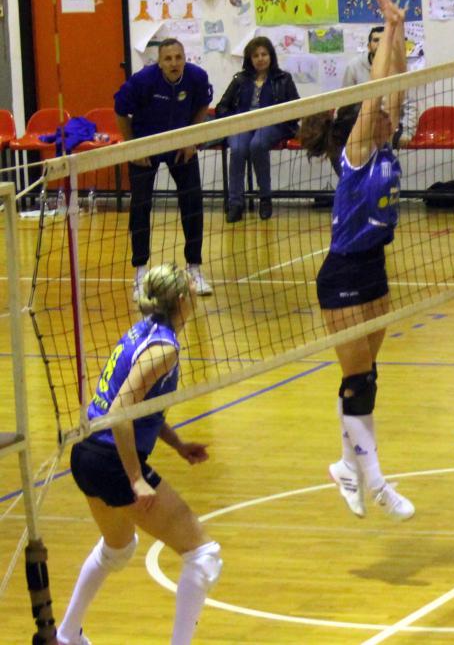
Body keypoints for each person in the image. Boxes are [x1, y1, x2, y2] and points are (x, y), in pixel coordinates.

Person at [58, 264, 220, 645]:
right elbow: (120, 411)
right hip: (111, 461)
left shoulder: (143, 330)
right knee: (204, 555)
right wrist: (136, 479)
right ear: (183, 299)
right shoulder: (164, 348)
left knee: (118, 548)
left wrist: (177, 445)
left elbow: (139, 406)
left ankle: (66, 635)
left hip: (86, 454)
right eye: (191, 291)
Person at [304, 0, 414, 521]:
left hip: (375, 268)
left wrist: (400, 30)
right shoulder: (357, 153)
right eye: (380, 114)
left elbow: (396, 87)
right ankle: (376, 482)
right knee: (359, 380)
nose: (390, 114)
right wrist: (386, 34)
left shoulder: (386, 144)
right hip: (343, 274)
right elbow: (375, 94)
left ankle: (347, 465)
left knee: (365, 376)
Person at [114, 39, 214, 300]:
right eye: (168, 58)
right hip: (145, 145)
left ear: (184, 58)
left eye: (178, 57)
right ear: (159, 62)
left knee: (193, 202)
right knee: (141, 206)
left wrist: (191, 138)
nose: (174, 63)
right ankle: (140, 273)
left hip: (180, 144)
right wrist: (133, 147)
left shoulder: (196, 77)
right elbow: (120, 110)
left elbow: (203, 105)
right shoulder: (143, 81)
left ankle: (194, 269)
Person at [215, 36, 301, 222]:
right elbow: (222, 106)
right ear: (249, 59)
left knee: (257, 144)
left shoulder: (284, 78)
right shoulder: (239, 79)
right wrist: (233, 120)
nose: (260, 58)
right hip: (243, 124)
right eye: (256, 55)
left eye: (264, 54)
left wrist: (279, 118)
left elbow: (296, 108)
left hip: (274, 125)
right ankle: (235, 204)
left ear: (271, 56)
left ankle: (265, 198)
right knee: (238, 148)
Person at [342, 24, 417, 147]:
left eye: (384, 40)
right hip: (361, 124)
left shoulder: (399, 68)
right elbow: (344, 102)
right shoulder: (353, 67)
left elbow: (410, 104)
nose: (380, 44)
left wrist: (407, 132)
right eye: (376, 40)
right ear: (368, 46)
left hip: (391, 125)